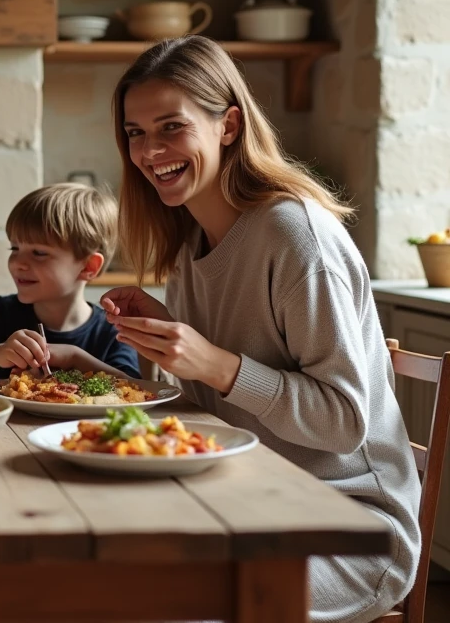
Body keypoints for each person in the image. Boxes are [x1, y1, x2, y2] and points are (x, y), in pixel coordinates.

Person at [99, 35, 419, 623]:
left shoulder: (296, 238)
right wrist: (162, 342)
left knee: (156, 603)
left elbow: (346, 423)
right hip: (241, 502)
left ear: (228, 126)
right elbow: (210, 416)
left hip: (348, 530)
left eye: (171, 126)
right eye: (136, 133)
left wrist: (215, 363)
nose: (149, 150)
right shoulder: (193, 245)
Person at [0, 183, 140, 386]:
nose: (17, 263)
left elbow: (136, 389)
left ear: (88, 266)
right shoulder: (3, 314)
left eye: (39, 253)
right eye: (14, 249)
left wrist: (75, 359)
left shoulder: (112, 331)